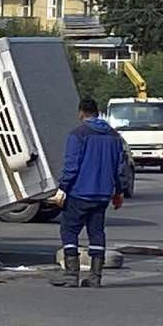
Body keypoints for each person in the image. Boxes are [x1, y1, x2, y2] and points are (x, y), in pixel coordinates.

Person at [51, 97, 125, 288]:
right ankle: (95, 277)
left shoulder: (78, 134)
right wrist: (118, 191)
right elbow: (120, 167)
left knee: (69, 230)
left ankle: (71, 275)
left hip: (79, 192)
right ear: (98, 112)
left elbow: (71, 166)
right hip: (102, 194)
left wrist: (63, 188)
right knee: (97, 233)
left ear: (81, 113)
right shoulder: (115, 136)